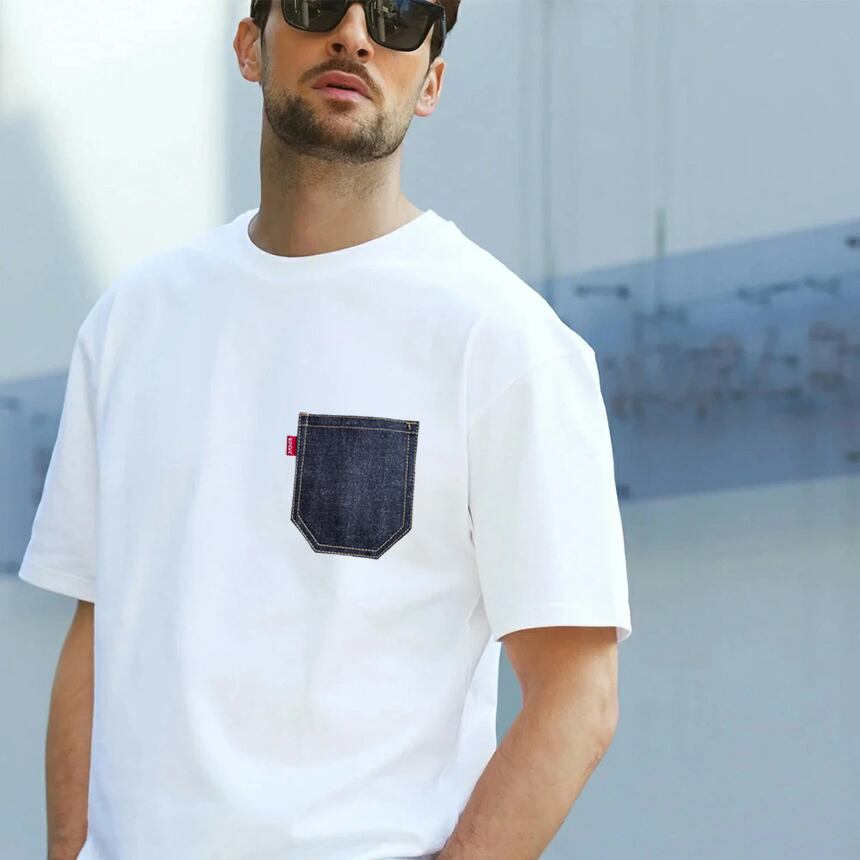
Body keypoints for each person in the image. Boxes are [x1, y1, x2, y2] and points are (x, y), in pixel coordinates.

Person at [18, 2, 633, 858]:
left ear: (432, 82)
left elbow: (579, 697)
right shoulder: (133, 321)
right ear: (249, 45)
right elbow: (98, 626)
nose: (354, 34)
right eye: (315, 5)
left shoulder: (505, 344)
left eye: (399, 16)